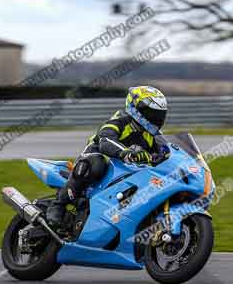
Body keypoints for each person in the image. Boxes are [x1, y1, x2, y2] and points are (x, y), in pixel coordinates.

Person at [46, 86, 169, 229]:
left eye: (159, 114)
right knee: (97, 162)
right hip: (96, 160)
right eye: (151, 113)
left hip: (126, 171)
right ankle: (58, 205)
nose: (155, 118)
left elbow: (167, 152)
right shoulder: (120, 120)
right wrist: (126, 153)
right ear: (135, 108)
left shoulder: (152, 134)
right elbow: (105, 140)